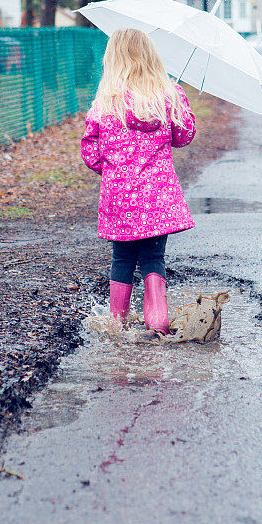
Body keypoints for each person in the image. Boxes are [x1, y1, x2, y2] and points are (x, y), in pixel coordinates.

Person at [80, 28, 196, 334]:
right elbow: (183, 137)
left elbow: (90, 150)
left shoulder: (106, 101)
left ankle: (116, 323)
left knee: (122, 258)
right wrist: (179, 100)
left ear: (114, 59)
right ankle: (158, 321)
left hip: (120, 196)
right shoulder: (167, 95)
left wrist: (112, 171)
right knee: (153, 257)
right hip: (158, 196)